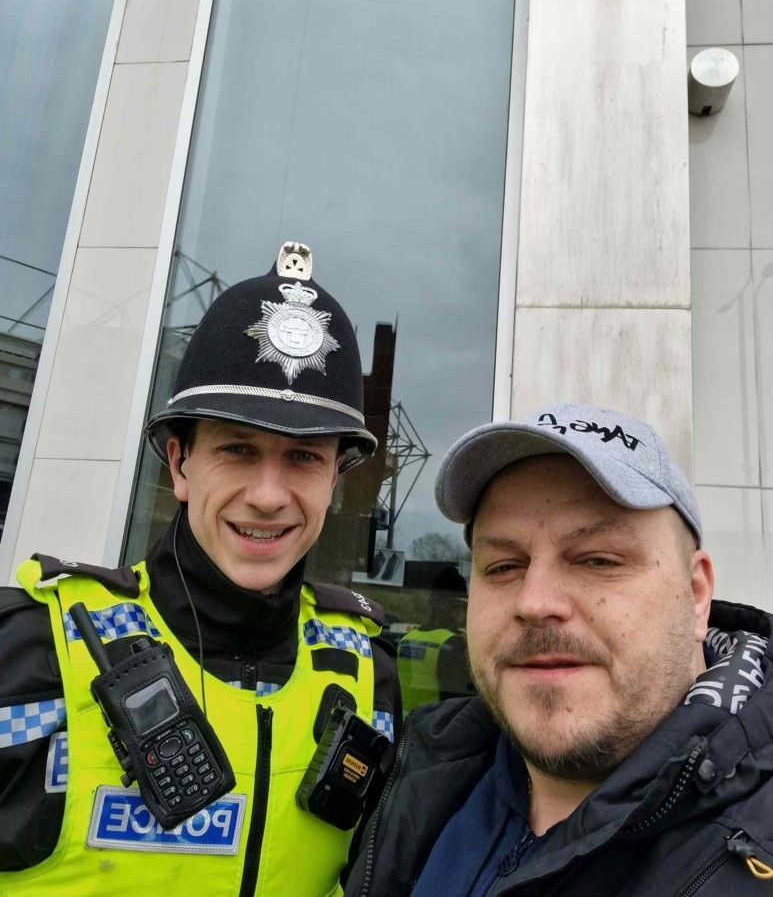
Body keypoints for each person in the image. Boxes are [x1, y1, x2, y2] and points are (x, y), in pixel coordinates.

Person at [0, 242, 400, 895]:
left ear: (334, 479)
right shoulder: (31, 652)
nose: (268, 496)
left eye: (304, 457)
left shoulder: (368, 674)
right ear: (180, 464)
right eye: (238, 449)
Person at [344, 403, 773, 897]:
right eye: (504, 566)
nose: (534, 602)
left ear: (695, 595)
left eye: (597, 560)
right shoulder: (417, 776)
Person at [397, 566, 473, 711]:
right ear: (450, 608)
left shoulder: (406, 640)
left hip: (404, 721)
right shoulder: (454, 644)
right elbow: (458, 701)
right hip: (437, 722)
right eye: (461, 607)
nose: (463, 612)